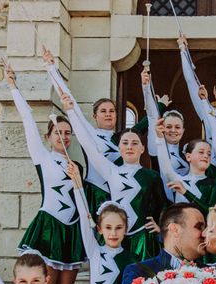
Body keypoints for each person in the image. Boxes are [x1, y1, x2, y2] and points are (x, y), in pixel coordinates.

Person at [4, 64, 82, 284]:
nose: (63, 137)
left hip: (70, 231)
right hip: (49, 227)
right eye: (58, 133)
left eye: (67, 133)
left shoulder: (77, 165)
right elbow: (26, 121)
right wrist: (14, 88)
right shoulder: (42, 157)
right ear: (48, 137)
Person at [60, 91, 168, 260]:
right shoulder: (111, 171)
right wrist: (71, 112)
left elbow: (163, 204)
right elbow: (87, 145)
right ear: (119, 148)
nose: (129, 146)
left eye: (134, 143)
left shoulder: (151, 176)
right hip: (117, 240)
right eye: (125, 143)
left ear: (142, 148)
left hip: (144, 240)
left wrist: (160, 225)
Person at [154, 118, 216, 215]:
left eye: (209, 154)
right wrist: (159, 138)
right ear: (188, 156)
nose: (205, 156)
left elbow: (211, 212)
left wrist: (185, 192)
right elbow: (165, 167)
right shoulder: (177, 180)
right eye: (201, 152)